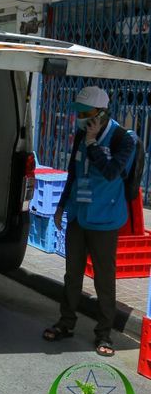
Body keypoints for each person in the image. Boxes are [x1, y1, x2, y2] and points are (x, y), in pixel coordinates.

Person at [44, 86, 135, 357]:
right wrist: (60, 206)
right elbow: (73, 170)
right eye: (79, 112)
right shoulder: (81, 133)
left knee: (104, 280)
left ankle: (104, 334)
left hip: (105, 220)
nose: (81, 117)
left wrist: (94, 143)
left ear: (101, 112)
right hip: (78, 215)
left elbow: (111, 173)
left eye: (86, 112)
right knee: (72, 274)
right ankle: (66, 322)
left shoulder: (123, 138)